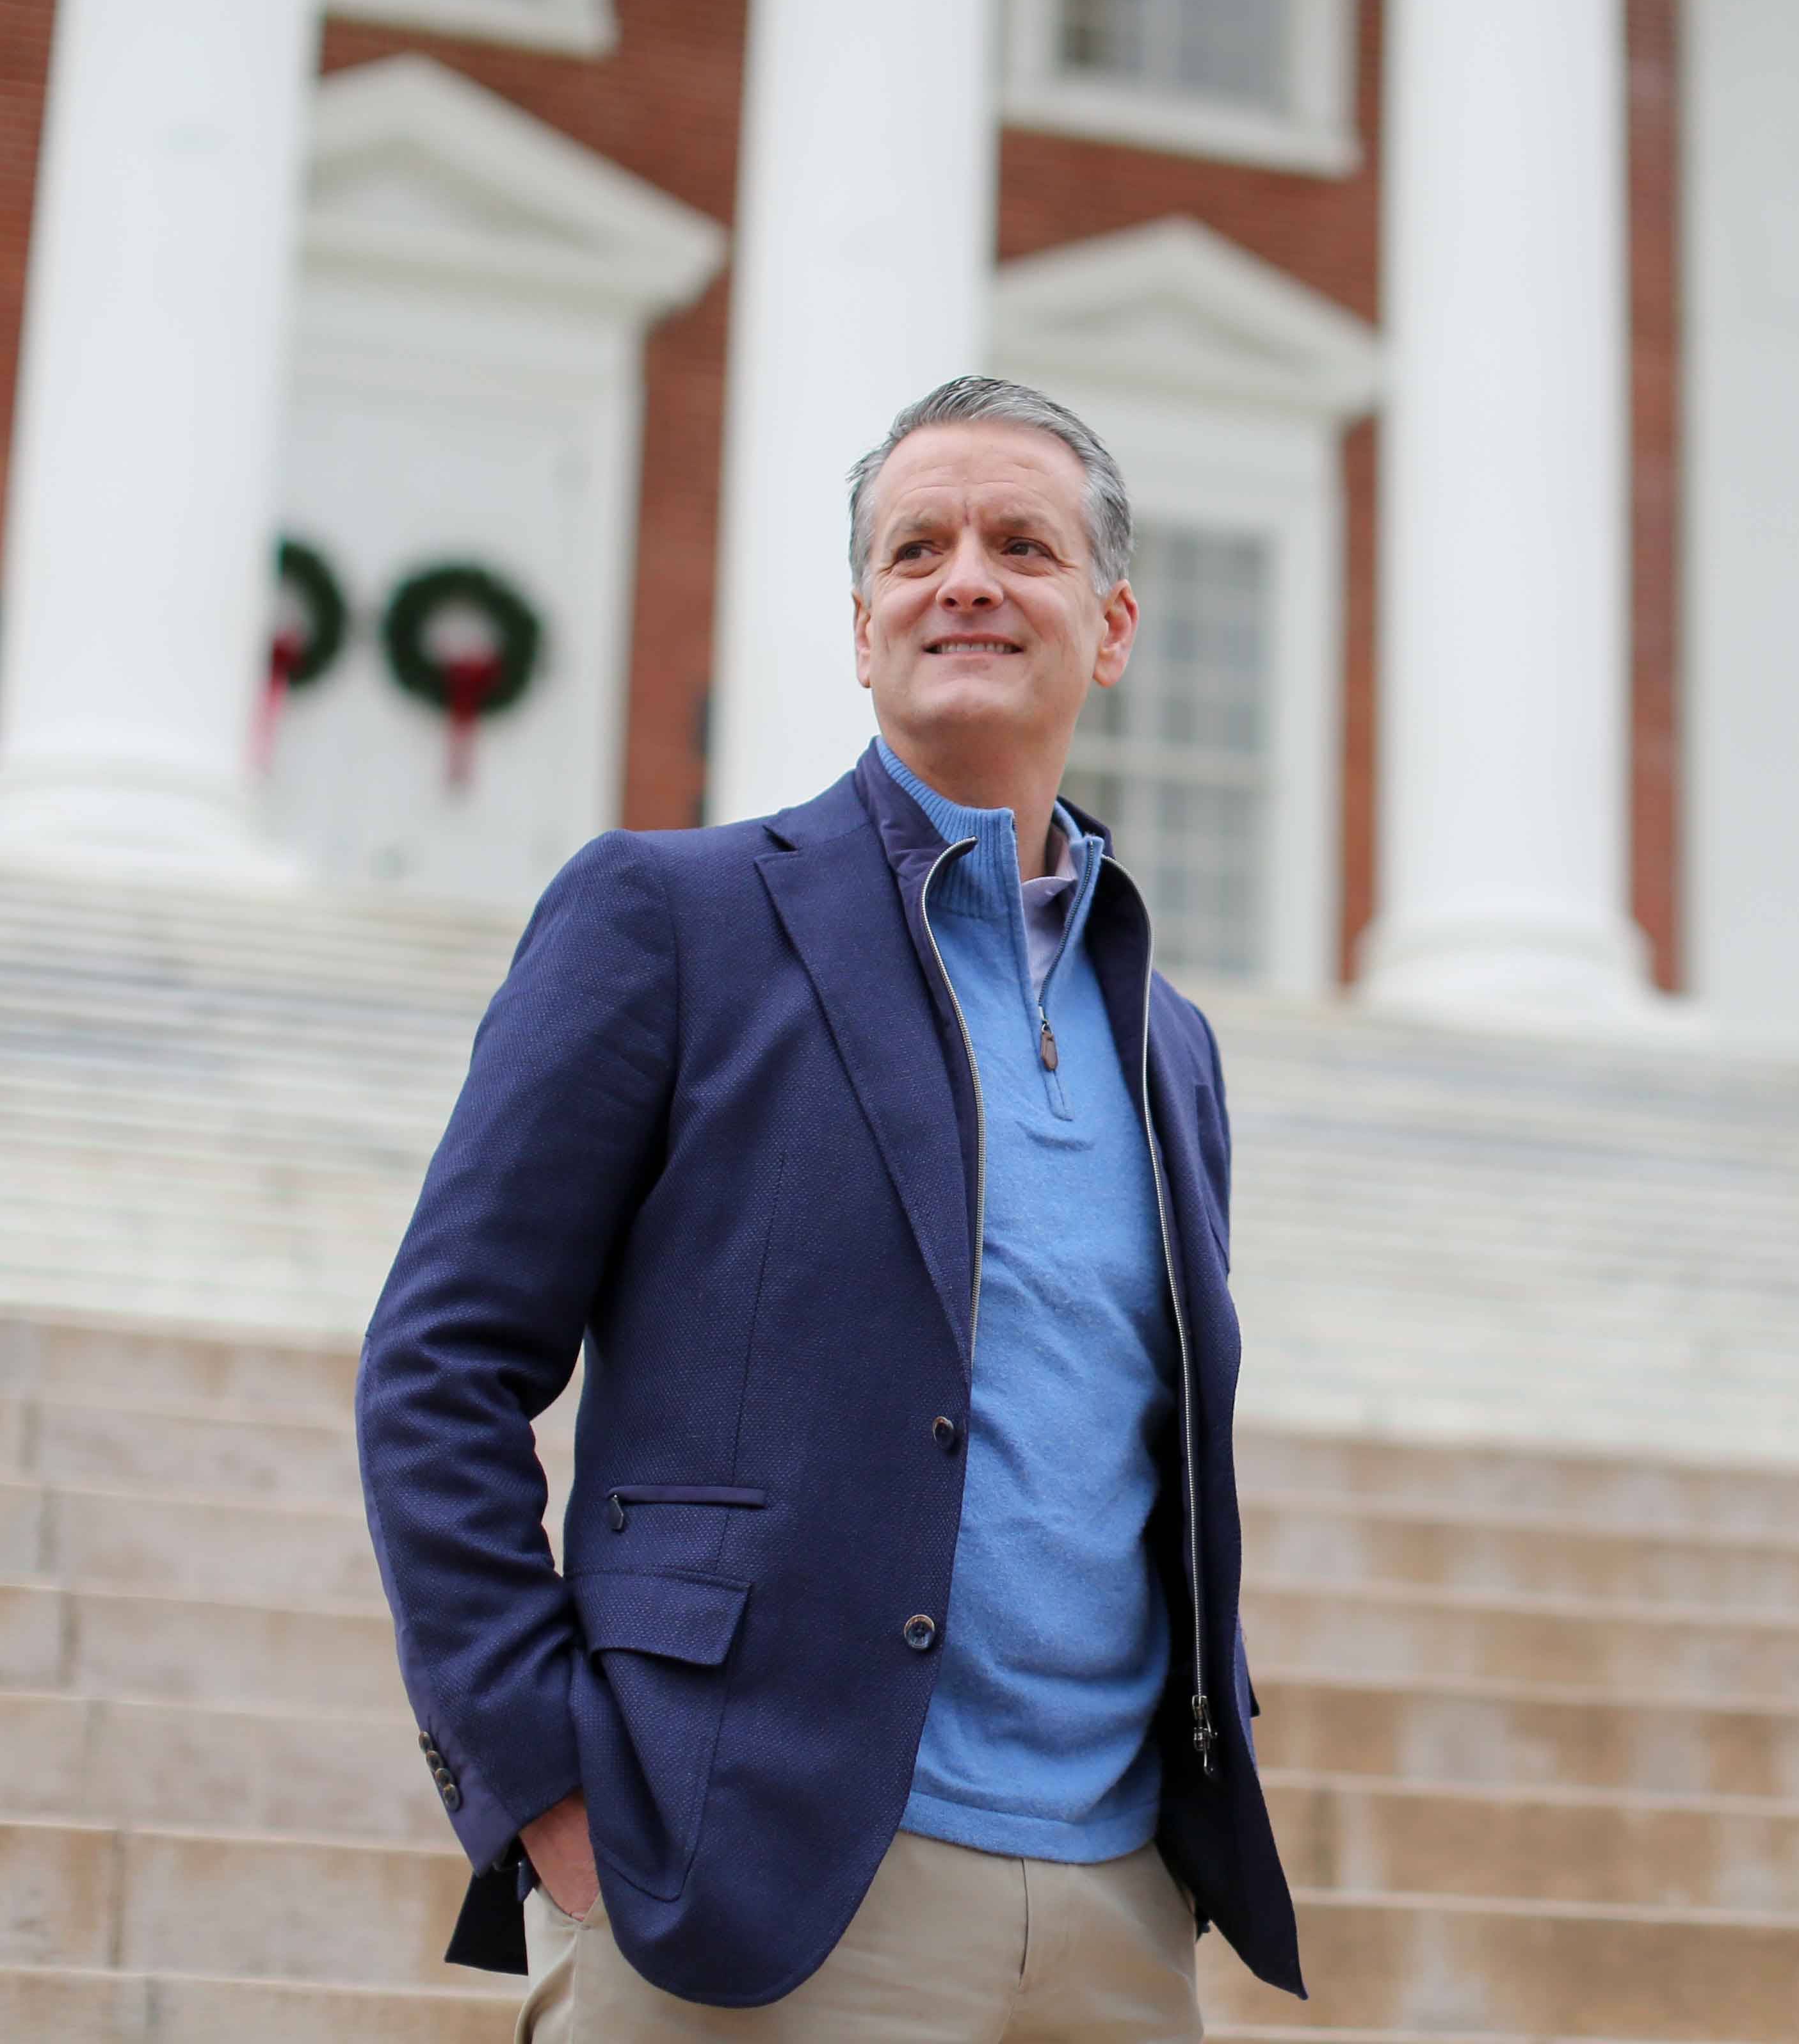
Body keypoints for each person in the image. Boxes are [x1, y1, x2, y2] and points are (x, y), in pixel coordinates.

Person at [355, 376, 1302, 2039]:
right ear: (863, 628)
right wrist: (548, 1792)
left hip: (1122, 1916)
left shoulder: (1174, 1041)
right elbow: (439, 1366)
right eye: (915, 548)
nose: (967, 580)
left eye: (1025, 545)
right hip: (758, 1891)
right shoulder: (669, 922)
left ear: (1116, 625)